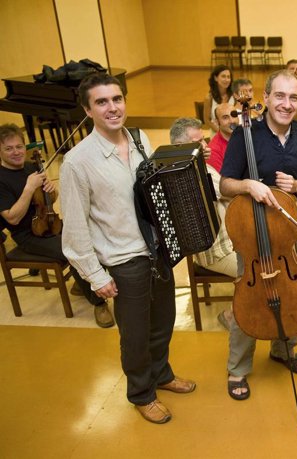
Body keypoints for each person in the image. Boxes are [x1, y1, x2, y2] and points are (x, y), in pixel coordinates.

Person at [60, 73, 196, 424]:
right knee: (135, 336)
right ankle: (141, 393)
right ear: (88, 110)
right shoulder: (77, 162)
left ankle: (162, 375)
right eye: (102, 102)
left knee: (163, 322)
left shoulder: (139, 139)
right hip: (123, 260)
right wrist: (94, 276)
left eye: (117, 99)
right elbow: (74, 229)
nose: (112, 107)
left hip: (157, 251)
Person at [219, 70, 297, 400]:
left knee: (294, 294)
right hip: (253, 235)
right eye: (280, 96)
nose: (286, 104)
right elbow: (225, 185)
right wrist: (248, 184)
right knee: (249, 301)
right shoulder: (245, 134)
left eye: (293, 98)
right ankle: (238, 367)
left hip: (293, 233)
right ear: (265, 98)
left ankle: (284, 349)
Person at [0, 124, 114, 328]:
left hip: (51, 224)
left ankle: (83, 283)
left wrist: (52, 191)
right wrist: (28, 188)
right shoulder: (1, 179)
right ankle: (99, 303)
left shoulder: (31, 167)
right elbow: (12, 218)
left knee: (93, 236)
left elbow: (47, 200)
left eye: (19, 147)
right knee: (74, 249)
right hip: (28, 235)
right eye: (9, 149)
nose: (16, 152)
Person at [169, 117, 237, 279]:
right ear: (181, 146)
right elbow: (231, 192)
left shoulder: (200, 165)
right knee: (259, 274)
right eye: (199, 142)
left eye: (204, 140)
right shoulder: (191, 173)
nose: (206, 146)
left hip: (232, 242)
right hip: (219, 253)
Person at [203, 65, 233, 133]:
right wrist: (221, 132)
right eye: (223, 76)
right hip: (216, 132)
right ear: (216, 78)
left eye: (228, 77)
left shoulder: (234, 96)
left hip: (232, 131)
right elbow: (206, 120)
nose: (226, 80)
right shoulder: (209, 98)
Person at [208, 103, 235, 173]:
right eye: (225, 117)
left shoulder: (246, 137)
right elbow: (222, 181)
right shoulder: (213, 151)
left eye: (234, 115)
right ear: (217, 122)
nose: (232, 121)